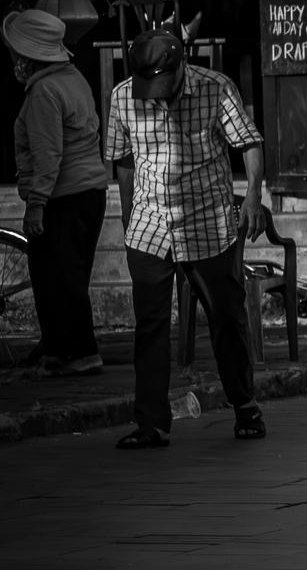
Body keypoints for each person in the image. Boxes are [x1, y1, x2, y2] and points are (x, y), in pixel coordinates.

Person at [104, 29, 268, 448]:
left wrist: (252, 194)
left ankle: (245, 405)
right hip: (149, 225)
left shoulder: (217, 88)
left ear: (181, 66)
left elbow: (248, 142)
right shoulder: (122, 97)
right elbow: (124, 160)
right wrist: (128, 217)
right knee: (151, 326)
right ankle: (151, 423)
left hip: (207, 222)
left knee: (226, 317)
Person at [4, 9, 108, 376]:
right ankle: (60, 351)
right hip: (90, 193)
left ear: (29, 56)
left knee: (58, 279)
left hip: (63, 197)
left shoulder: (44, 92)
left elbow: (48, 155)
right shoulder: (73, 78)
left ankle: (79, 352)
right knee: (66, 277)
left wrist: (36, 204)